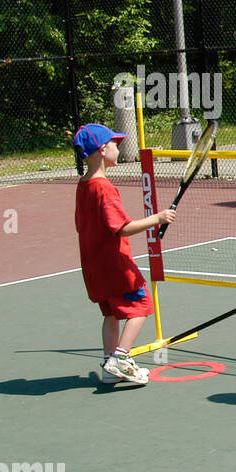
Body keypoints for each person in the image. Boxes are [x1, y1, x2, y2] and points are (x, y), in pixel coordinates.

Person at [73, 123, 176, 387]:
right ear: (102, 149)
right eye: (115, 144)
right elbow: (121, 228)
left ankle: (109, 366)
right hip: (115, 266)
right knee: (141, 306)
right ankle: (120, 358)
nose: (118, 148)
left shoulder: (83, 185)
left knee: (111, 314)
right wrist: (158, 217)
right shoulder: (104, 188)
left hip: (94, 267)